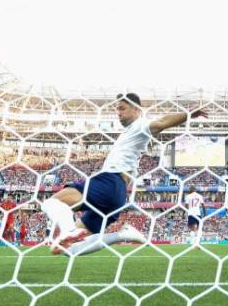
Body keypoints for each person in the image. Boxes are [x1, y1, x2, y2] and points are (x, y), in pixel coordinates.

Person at [41, 93, 208, 255]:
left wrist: (188, 114)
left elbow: (160, 123)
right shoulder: (128, 133)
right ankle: (122, 235)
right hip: (117, 196)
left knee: (50, 203)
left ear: (136, 109)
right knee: (65, 249)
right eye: (117, 110)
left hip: (109, 181)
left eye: (122, 108)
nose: (118, 113)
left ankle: (68, 229)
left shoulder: (140, 125)